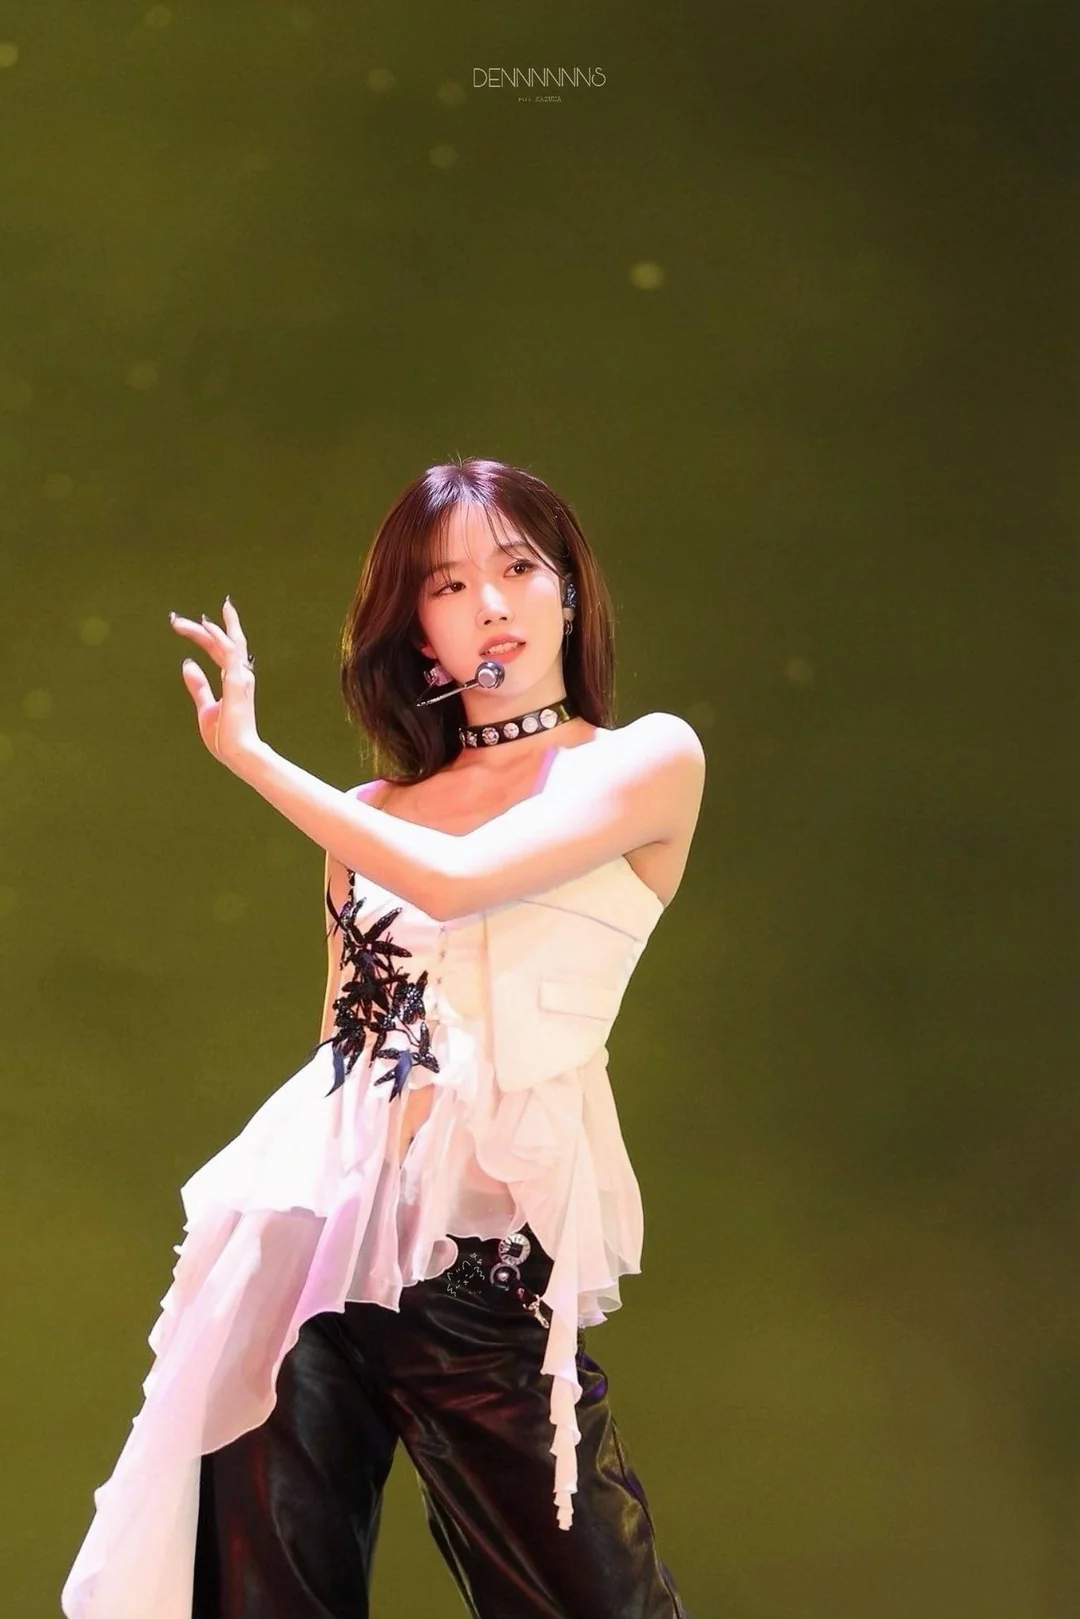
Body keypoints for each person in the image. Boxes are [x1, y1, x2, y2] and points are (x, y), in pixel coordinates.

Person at [61, 457, 706, 1619]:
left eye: (518, 568)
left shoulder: (645, 760)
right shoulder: (369, 816)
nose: (492, 603)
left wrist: (253, 757)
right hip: (304, 1251)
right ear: (418, 630)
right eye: (449, 585)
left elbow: (459, 882)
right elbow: (336, 1047)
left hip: (484, 1261)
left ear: (569, 591)